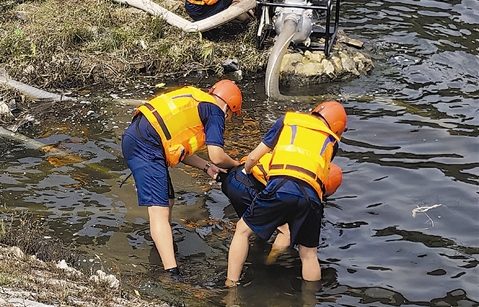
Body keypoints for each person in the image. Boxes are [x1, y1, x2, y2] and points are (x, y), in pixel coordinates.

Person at [121, 80, 243, 280]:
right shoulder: (215, 112)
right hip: (146, 145)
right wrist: (236, 164)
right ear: (229, 107)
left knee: (168, 200)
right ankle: (172, 273)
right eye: (231, 115)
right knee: (159, 211)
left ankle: (162, 248)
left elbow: (180, 148)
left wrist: (206, 167)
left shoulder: (197, 100)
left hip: (141, 137)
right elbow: (218, 155)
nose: (228, 119)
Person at [225, 101, 348, 286]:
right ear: (337, 128)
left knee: (242, 230)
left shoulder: (288, 121)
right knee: (309, 255)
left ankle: (230, 285)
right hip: (312, 197)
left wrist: (248, 171)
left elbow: (253, 157)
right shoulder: (331, 141)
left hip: (281, 186)